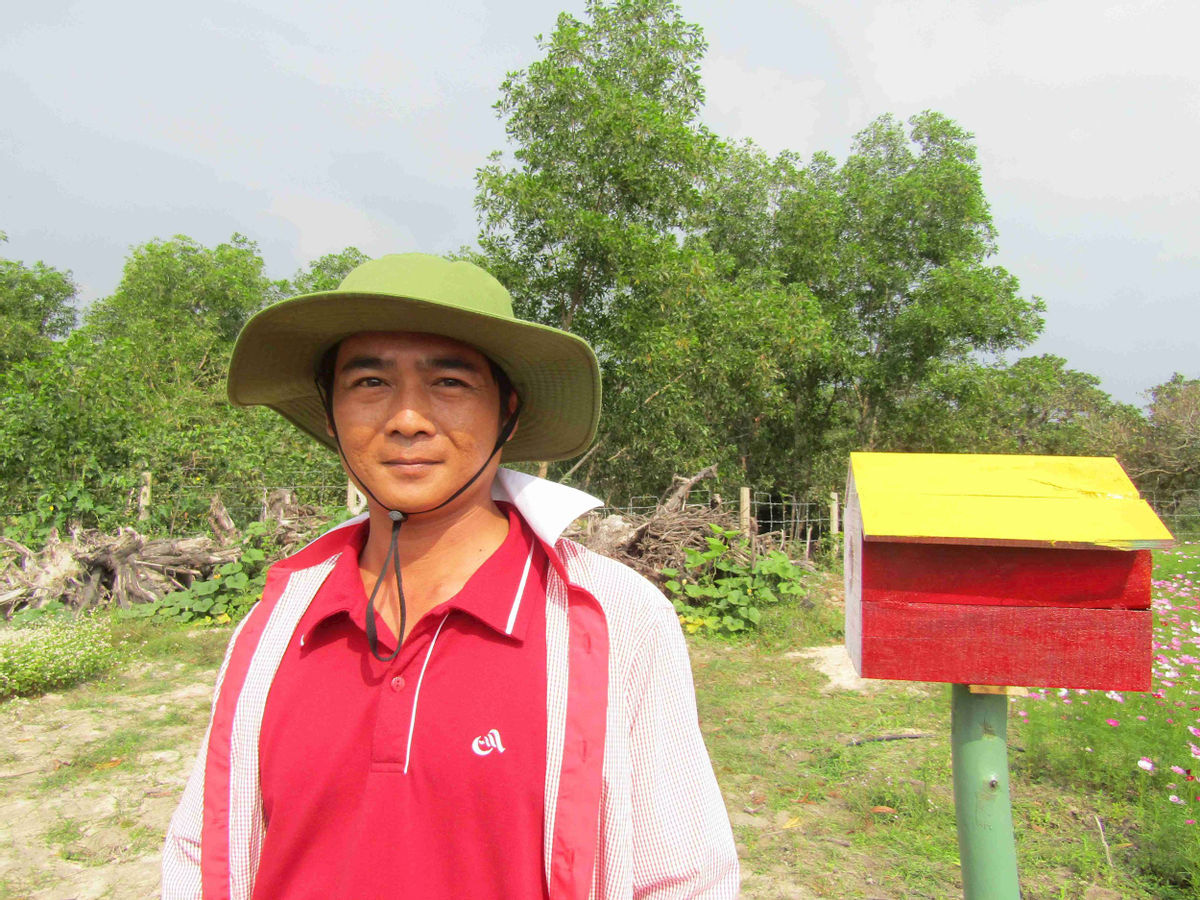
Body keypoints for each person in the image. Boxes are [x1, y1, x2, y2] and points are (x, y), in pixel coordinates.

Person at [161, 253, 739, 899]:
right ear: (331, 415)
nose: (407, 418)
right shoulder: (277, 621)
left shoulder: (613, 619)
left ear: (508, 413)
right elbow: (203, 849)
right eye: (369, 383)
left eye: (450, 383)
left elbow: (683, 875)